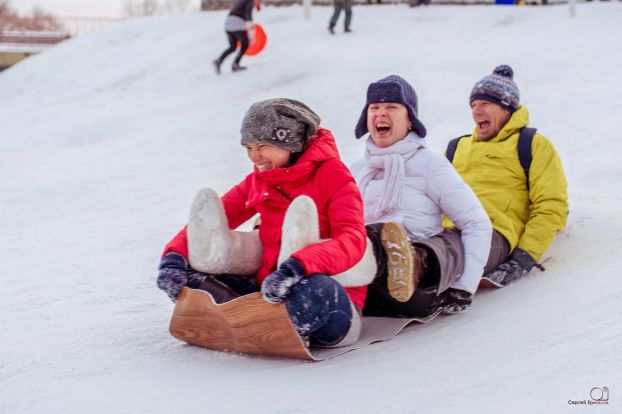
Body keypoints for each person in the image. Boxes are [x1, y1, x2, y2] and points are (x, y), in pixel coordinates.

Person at [157, 98, 370, 348]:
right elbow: (212, 222)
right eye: (248, 147)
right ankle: (243, 317)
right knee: (193, 269)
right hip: (268, 291)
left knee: (314, 288)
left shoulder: (333, 175)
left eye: (262, 146)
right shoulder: (261, 179)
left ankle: (254, 319)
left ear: (289, 143)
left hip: (333, 299)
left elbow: (353, 239)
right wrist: (174, 256)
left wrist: (299, 266)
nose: (254, 156)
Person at [349, 75, 493, 317]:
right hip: (365, 282)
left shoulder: (428, 164)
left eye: (392, 107)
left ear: (409, 121)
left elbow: (475, 222)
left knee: (373, 236)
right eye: (374, 108)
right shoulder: (357, 170)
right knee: (346, 241)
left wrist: (464, 286)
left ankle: (399, 259)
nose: (381, 114)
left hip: (414, 288)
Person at [445, 65, 568, 287]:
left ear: (506, 108)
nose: (476, 111)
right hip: (443, 232)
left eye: (485, 103)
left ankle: (416, 265)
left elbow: (551, 205)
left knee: (447, 252)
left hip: (491, 235)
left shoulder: (532, 144)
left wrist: (524, 257)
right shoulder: (457, 147)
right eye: (473, 105)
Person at [213, 0, 260, 74]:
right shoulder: (250, 1)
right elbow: (248, 14)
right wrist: (251, 34)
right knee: (245, 44)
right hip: (237, 23)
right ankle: (235, 64)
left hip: (227, 23)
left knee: (232, 47)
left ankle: (219, 61)